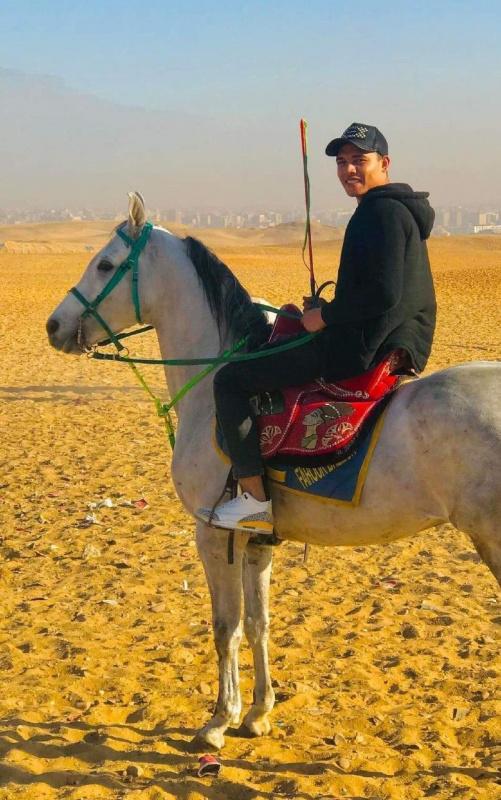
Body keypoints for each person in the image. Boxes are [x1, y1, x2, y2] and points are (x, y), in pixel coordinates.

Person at [196, 122, 436, 534]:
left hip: (364, 346)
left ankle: (254, 502)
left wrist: (324, 318)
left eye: (359, 160)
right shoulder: (393, 210)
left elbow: (383, 293)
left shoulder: (380, 212)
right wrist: (328, 308)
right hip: (390, 337)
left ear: (384, 163)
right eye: (341, 162)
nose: (348, 170)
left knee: (231, 381)